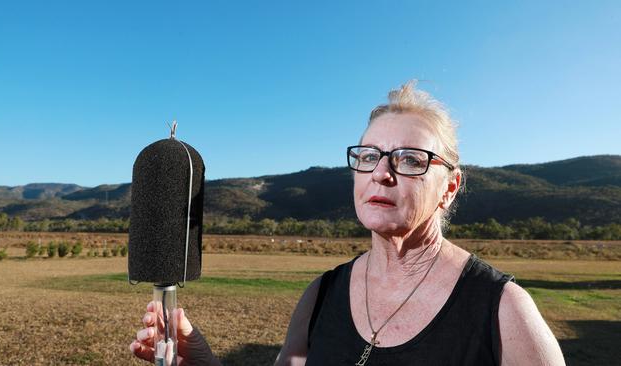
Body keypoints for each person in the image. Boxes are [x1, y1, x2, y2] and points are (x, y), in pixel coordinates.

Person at [130, 81, 565, 365]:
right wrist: (202, 361)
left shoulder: (503, 309)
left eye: (411, 159)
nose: (382, 172)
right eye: (370, 156)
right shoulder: (321, 295)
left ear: (450, 187)